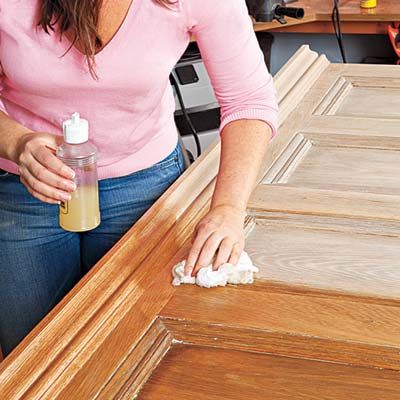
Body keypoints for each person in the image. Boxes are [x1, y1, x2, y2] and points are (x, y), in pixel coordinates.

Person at [0, 0, 278, 357]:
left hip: (143, 184)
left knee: (141, 348)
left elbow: (248, 99)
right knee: (35, 356)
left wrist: (227, 210)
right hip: (26, 188)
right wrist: (17, 142)